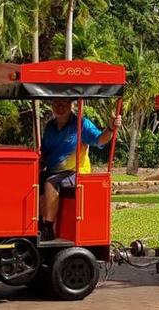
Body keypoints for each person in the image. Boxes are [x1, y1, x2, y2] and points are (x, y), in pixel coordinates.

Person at [39, 97, 122, 241]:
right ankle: (37, 223)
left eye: (64, 103)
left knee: (51, 183)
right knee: (34, 181)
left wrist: (110, 128)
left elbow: (100, 139)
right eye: (56, 103)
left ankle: (48, 227)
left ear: (71, 105)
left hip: (75, 172)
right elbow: (45, 153)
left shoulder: (82, 124)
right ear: (52, 106)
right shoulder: (50, 126)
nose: (60, 107)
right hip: (53, 169)